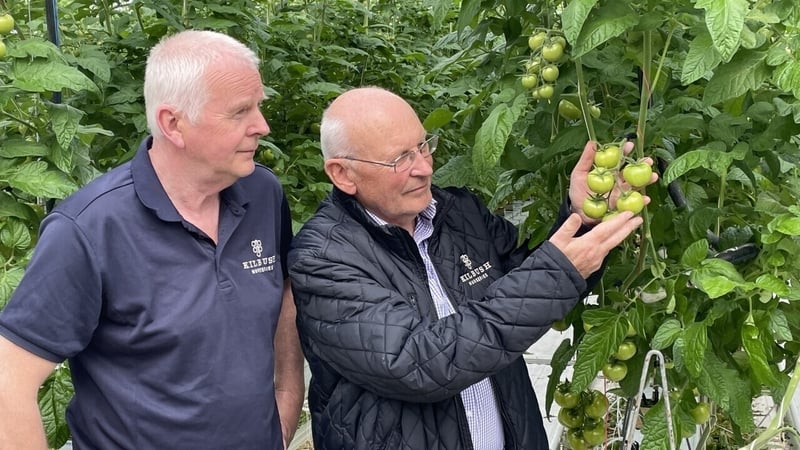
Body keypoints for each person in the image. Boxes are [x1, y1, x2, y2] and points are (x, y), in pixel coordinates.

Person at [288, 86, 656, 449]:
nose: (424, 167)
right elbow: (417, 362)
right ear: (343, 174)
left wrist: (582, 218)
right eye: (400, 159)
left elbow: (525, 285)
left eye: (423, 146)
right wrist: (557, 272)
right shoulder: (322, 257)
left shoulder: (460, 213)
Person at [0, 30, 304, 449]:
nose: (262, 126)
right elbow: (8, 381)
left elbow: (285, 289)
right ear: (173, 124)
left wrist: (287, 399)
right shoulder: (90, 229)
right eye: (240, 112)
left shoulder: (262, 194)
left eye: (258, 107)